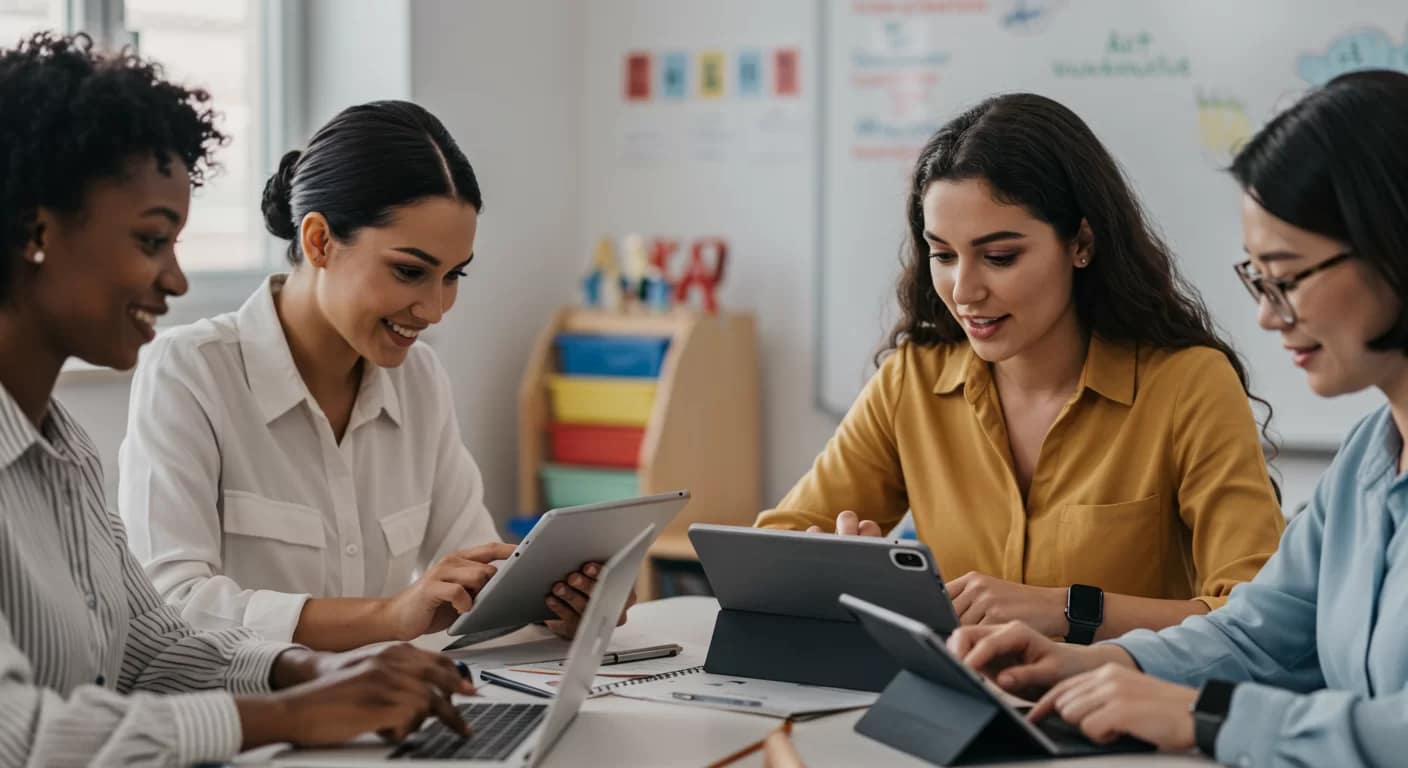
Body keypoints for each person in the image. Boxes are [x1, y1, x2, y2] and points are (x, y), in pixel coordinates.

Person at [0, 32, 475, 765]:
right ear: (37, 232)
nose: (177, 281)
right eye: (152, 241)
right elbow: (23, 736)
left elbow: (151, 646)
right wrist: (294, 714)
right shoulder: (186, 374)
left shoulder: (61, 449)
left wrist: (314, 670)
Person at [949, 70, 1408, 767]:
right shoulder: (1369, 459)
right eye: (1256, 278)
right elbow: (1256, 634)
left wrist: (1210, 716)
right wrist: (1097, 665)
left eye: (1287, 276)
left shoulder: (1186, 383)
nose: (1265, 312)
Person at [756, 93, 1285, 642]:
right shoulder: (912, 380)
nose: (964, 291)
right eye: (942, 254)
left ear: (1080, 243)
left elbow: (1259, 620)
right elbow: (768, 556)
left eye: (1000, 257)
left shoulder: (1187, 386)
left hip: (1119, 715)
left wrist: (1067, 610)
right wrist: (838, 568)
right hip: (956, 708)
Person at [118, 100, 624, 651]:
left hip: (380, 710)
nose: (433, 310)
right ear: (319, 242)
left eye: (453, 276)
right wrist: (389, 616)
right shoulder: (191, 372)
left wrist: (555, 602)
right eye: (410, 271)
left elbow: (474, 566)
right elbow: (171, 605)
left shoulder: (420, 379)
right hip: (242, 722)